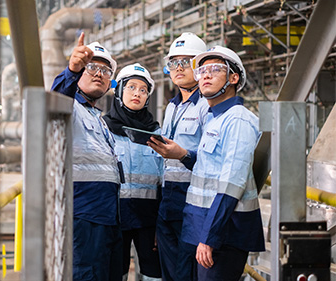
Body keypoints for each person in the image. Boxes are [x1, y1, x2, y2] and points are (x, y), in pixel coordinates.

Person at [150, 46, 264, 280]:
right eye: (202, 70)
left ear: (233, 78)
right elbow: (207, 166)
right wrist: (182, 154)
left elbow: (232, 184)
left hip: (224, 232)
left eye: (215, 69)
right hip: (199, 224)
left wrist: (210, 238)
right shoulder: (214, 118)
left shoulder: (238, 120)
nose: (206, 75)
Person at [50, 32, 123, 281]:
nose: (99, 74)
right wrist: (71, 69)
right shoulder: (71, 108)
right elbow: (57, 99)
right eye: (91, 67)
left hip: (108, 217)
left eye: (105, 71)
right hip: (83, 216)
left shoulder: (98, 118)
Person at [148, 32, 209, 281]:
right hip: (168, 202)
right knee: (169, 274)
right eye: (174, 63)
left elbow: (214, 160)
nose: (179, 68)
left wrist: (183, 155)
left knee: (187, 273)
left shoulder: (207, 104)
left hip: (193, 200)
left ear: (200, 66)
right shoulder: (172, 106)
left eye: (186, 62)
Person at [103, 63, 163, 281]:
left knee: (154, 275)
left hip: (149, 219)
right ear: (119, 91)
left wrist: (162, 224)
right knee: (115, 273)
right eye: (131, 87)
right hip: (115, 218)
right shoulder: (104, 130)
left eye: (143, 89)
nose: (137, 93)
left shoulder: (157, 133)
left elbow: (164, 179)